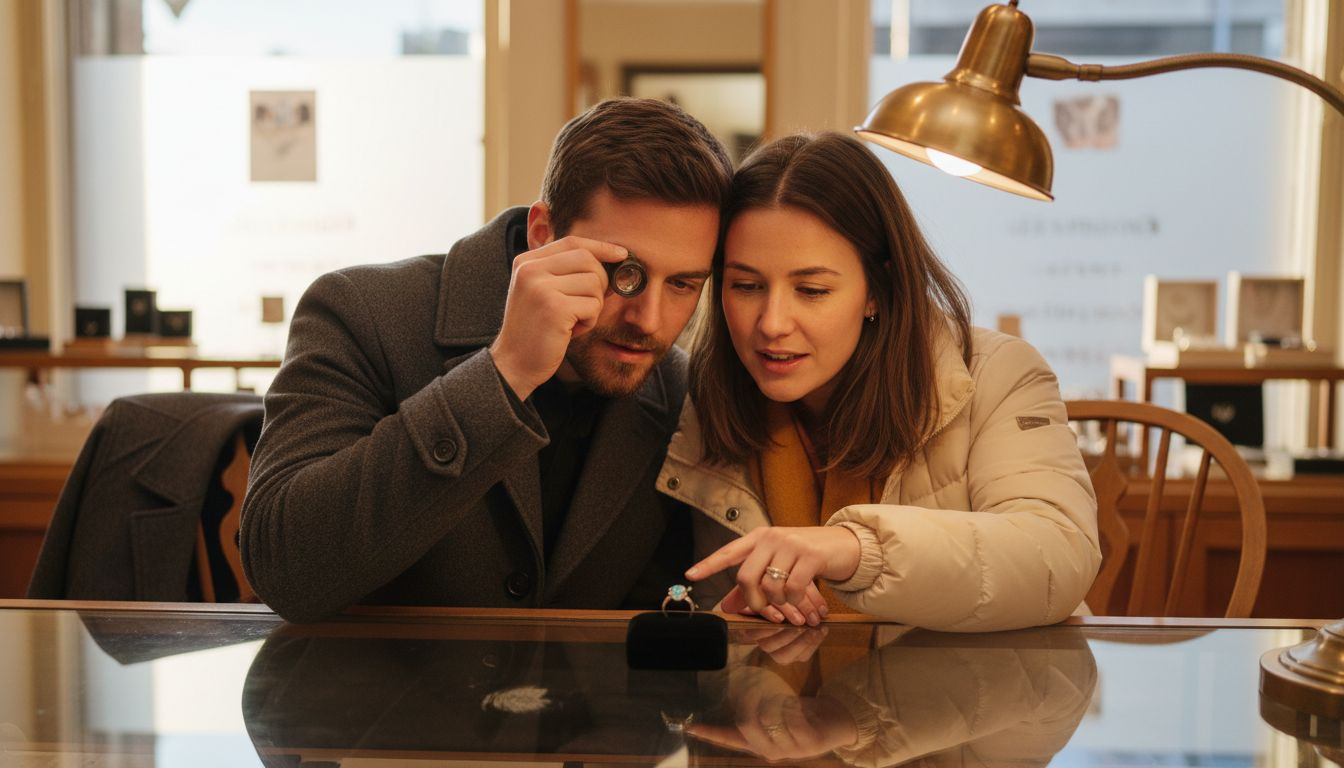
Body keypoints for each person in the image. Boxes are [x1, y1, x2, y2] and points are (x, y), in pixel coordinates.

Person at [241, 98, 734, 622]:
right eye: (625, 273)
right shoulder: (361, 311)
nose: (650, 320)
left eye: (683, 284)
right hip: (374, 701)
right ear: (542, 233)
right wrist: (505, 372)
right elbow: (283, 568)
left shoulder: (674, 390)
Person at [658, 132, 1100, 632]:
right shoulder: (707, 393)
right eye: (746, 286)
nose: (772, 323)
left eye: (811, 290)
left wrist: (856, 548)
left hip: (981, 702)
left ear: (877, 290)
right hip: (782, 705)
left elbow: (1057, 557)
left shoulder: (998, 372)